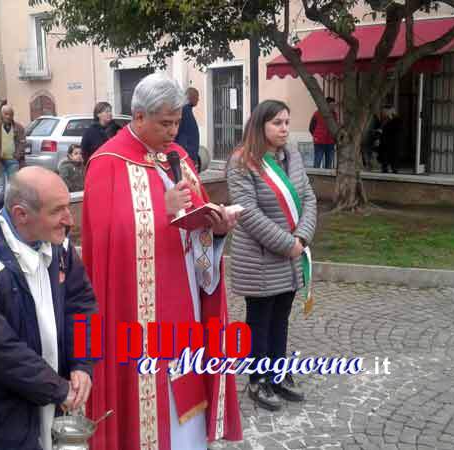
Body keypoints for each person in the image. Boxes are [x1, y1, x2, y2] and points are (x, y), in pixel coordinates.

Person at [82, 73, 243, 450]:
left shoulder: (180, 159)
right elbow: (106, 242)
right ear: (138, 118)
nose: (174, 131)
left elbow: (194, 221)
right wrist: (159, 210)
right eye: (164, 123)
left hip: (186, 295)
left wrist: (216, 228)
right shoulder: (107, 163)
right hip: (138, 309)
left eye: (177, 122)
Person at [0, 166, 97, 450]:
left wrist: (84, 363)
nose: (69, 220)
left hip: (47, 399)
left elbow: (84, 304)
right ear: (21, 214)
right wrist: (58, 389)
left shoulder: (57, 243)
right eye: (57, 210)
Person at [227, 100, 317, 412]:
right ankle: (257, 379)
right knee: (259, 322)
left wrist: (302, 237)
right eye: (277, 123)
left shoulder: (291, 157)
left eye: (286, 123)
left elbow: (308, 198)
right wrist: (287, 243)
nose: (284, 129)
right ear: (261, 125)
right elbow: (247, 213)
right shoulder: (242, 163)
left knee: (281, 319)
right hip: (261, 259)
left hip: (290, 255)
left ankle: (277, 373)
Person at [0, 104, 26, 195]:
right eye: (6, 114)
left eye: (10, 114)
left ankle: (10, 205)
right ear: (1, 114)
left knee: (13, 186)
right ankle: (0, 206)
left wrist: (17, 155)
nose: (8, 116)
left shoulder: (19, 127)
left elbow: (22, 143)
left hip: (13, 160)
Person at [175, 87, 201, 170]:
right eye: (197, 97)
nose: (198, 99)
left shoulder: (187, 110)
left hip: (189, 153)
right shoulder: (184, 111)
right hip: (186, 153)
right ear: (191, 97)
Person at [309, 96, 338, 169]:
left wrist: (334, 139)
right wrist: (316, 136)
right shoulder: (317, 113)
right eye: (332, 105)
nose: (333, 107)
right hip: (319, 142)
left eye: (334, 105)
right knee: (317, 161)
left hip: (330, 142)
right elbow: (311, 127)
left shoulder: (334, 115)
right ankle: (315, 177)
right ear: (327, 105)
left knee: (329, 163)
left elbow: (335, 127)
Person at [378, 107, 402, 174]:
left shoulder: (397, 120)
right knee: (384, 156)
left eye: (386, 113)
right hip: (385, 142)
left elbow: (397, 130)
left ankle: (394, 168)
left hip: (393, 142)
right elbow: (382, 128)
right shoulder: (385, 120)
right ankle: (385, 168)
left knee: (393, 156)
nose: (384, 114)